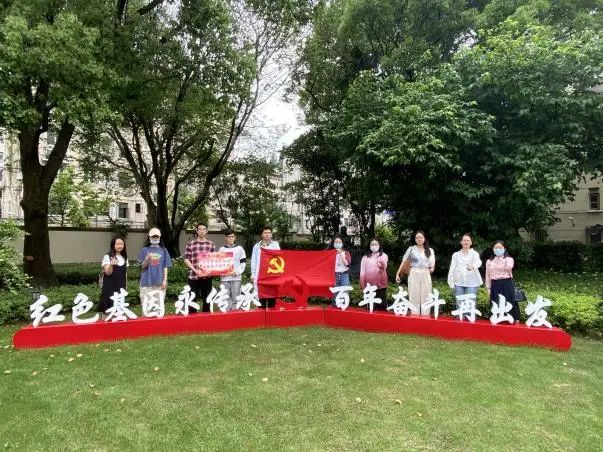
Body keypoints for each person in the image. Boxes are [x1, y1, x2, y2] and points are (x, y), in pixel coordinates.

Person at [396, 231, 435, 316]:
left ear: (424, 238)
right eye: (417, 238)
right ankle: (414, 315)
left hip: (425, 272)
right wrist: (397, 274)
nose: (419, 239)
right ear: (415, 239)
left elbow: (432, 264)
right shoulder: (411, 249)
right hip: (414, 272)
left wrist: (432, 268)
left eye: (421, 237)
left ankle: (425, 316)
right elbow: (404, 261)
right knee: (413, 294)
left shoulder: (430, 250)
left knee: (426, 294)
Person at [184, 223, 216, 313]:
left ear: (207, 231)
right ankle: (192, 317)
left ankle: (206, 317)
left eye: (203, 229)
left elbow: (214, 260)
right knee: (192, 298)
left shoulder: (211, 244)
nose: (201, 231)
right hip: (193, 276)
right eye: (200, 229)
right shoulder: (191, 244)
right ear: (197, 231)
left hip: (207, 277)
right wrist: (195, 270)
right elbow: (186, 259)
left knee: (207, 299)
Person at [485, 240, 519, 323]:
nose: (498, 249)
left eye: (500, 247)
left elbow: (509, 267)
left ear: (504, 249)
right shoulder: (489, 261)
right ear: (493, 249)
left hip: (506, 283)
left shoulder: (509, 259)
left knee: (510, 301)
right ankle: (498, 321)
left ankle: (515, 319)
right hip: (495, 284)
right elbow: (487, 275)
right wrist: (488, 288)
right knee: (496, 302)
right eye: (496, 247)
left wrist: (503, 260)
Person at [447, 233, 483, 309]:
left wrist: (473, 266)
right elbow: (452, 268)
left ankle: (470, 317)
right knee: (459, 304)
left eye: (468, 240)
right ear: (461, 242)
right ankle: (460, 317)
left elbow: (479, 262)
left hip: (472, 282)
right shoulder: (456, 255)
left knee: (470, 304)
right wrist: (451, 282)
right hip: (458, 282)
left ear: (471, 242)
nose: (466, 242)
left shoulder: (474, 253)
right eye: (464, 240)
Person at [138, 228, 172, 305]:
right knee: (146, 306)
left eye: (157, 236)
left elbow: (165, 266)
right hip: (146, 282)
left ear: (160, 237)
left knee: (159, 306)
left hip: (160, 282)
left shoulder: (164, 250)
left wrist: (165, 280)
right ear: (149, 237)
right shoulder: (144, 250)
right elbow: (142, 267)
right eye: (153, 236)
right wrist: (147, 259)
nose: (155, 238)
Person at [250, 226, 280, 309]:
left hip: (272, 273)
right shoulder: (257, 246)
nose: (267, 234)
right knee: (261, 295)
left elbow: (278, 257)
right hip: (260, 274)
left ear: (271, 234)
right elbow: (254, 260)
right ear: (262, 234)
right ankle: (261, 312)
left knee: (272, 295)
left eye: (269, 233)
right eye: (265, 233)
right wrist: (253, 273)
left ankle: (272, 313)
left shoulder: (275, 245)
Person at [98, 236, 128, 316]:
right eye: (117, 244)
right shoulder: (107, 256)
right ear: (113, 245)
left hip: (121, 288)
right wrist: (111, 264)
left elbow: (125, 274)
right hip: (109, 288)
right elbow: (107, 273)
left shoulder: (124, 257)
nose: (120, 246)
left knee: (119, 311)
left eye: (122, 244)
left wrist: (126, 287)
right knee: (108, 310)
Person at [218, 229, 246, 310]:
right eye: (229, 237)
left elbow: (243, 262)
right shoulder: (221, 249)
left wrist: (237, 272)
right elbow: (218, 263)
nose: (231, 238)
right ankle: (227, 315)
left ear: (235, 237)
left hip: (236, 278)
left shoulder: (239, 249)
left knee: (236, 299)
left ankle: (235, 315)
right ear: (225, 238)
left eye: (232, 236)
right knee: (225, 299)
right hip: (224, 278)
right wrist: (220, 271)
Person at [359, 238, 388, 311]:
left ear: (379, 245)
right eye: (372, 244)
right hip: (369, 286)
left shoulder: (383, 255)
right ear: (369, 246)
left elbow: (384, 266)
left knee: (381, 306)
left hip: (381, 285)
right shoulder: (365, 257)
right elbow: (362, 271)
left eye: (376, 244)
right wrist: (362, 283)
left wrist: (381, 265)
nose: (374, 246)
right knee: (370, 308)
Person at [330, 235, 352, 307]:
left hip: (344, 274)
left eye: (339, 242)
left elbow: (347, 264)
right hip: (334, 275)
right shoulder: (330, 253)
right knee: (335, 292)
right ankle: (334, 307)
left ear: (342, 243)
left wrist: (342, 256)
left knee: (344, 291)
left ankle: (343, 307)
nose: (337, 243)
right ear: (333, 243)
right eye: (336, 242)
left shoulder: (346, 253)